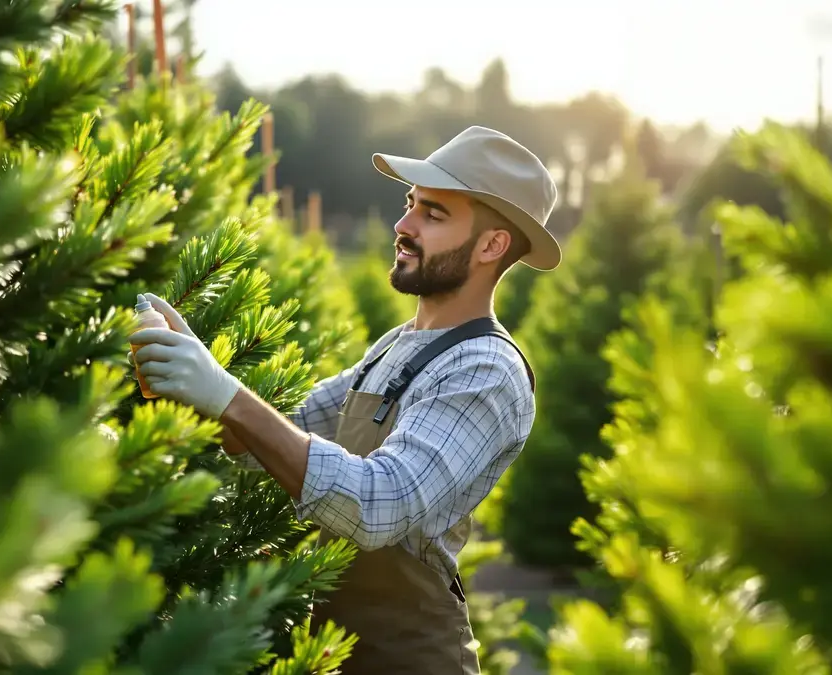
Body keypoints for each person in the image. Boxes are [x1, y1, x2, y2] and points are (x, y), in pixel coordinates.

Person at [130, 125, 561, 674]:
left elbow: (380, 505)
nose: (402, 226)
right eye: (410, 205)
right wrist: (189, 373)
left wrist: (226, 394)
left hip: (410, 661)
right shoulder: (395, 348)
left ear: (491, 245)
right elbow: (271, 437)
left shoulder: (485, 370)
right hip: (342, 653)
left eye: (434, 214)